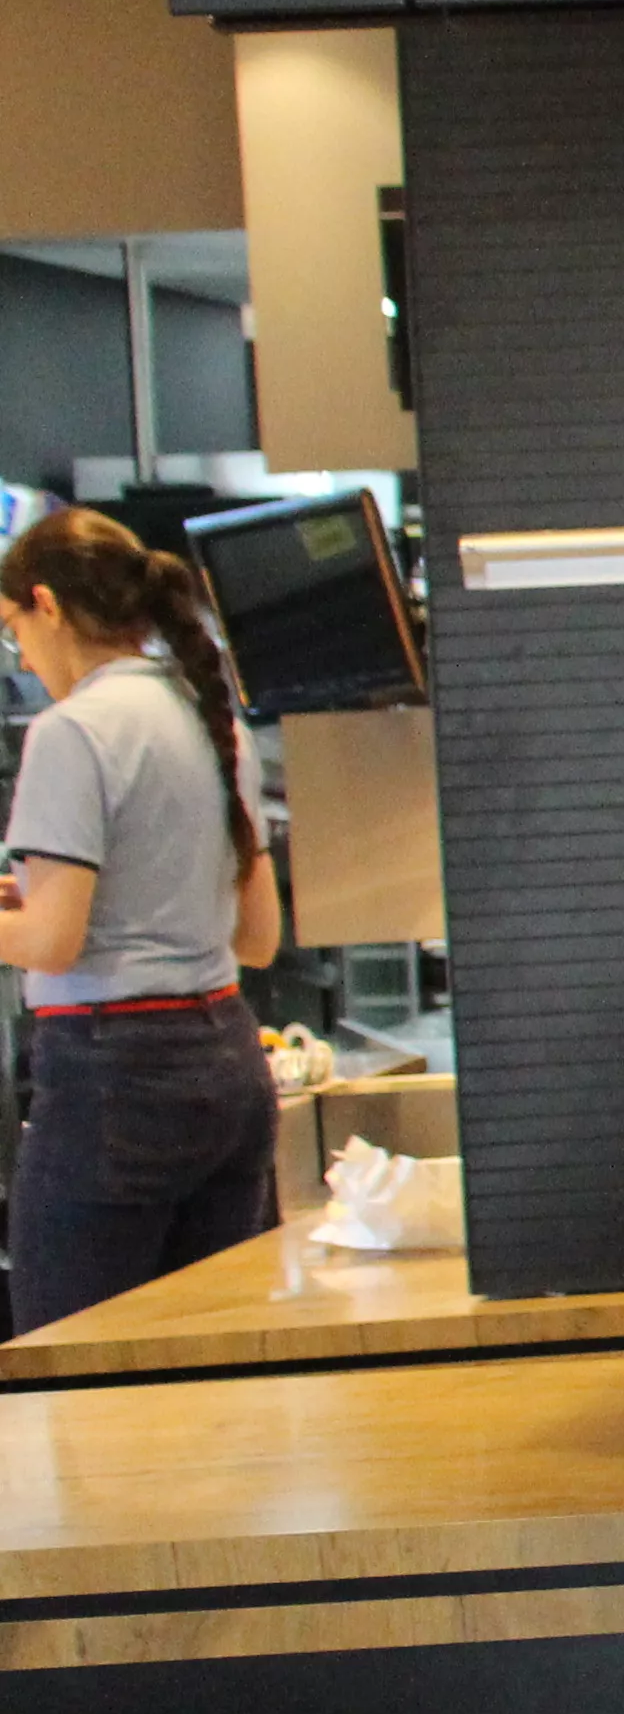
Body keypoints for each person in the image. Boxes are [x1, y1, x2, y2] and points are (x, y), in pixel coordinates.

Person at [0, 505, 285, 1332]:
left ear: (48, 605)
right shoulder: (208, 719)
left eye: (14, 626)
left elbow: (55, 940)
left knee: (73, 1363)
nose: (19, 652)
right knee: (207, 1367)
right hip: (229, 1070)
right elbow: (256, 937)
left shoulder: (72, 731)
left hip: (114, 1084)